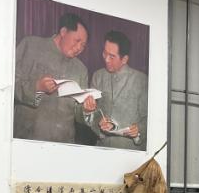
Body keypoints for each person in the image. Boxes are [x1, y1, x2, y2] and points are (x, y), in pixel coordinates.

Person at [14, 12, 97, 143]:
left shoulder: (81, 69)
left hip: (63, 142)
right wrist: (36, 87)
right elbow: (7, 85)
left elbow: (77, 112)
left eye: (83, 45)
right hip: (28, 138)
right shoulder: (30, 45)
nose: (79, 48)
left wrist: (86, 110)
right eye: (77, 41)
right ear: (63, 32)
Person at [90, 30, 147, 149]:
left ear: (124, 59)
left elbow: (149, 118)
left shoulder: (141, 80)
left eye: (112, 56)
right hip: (102, 147)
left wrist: (139, 129)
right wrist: (98, 122)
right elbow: (92, 114)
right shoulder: (97, 76)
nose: (106, 59)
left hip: (130, 150)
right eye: (105, 53)